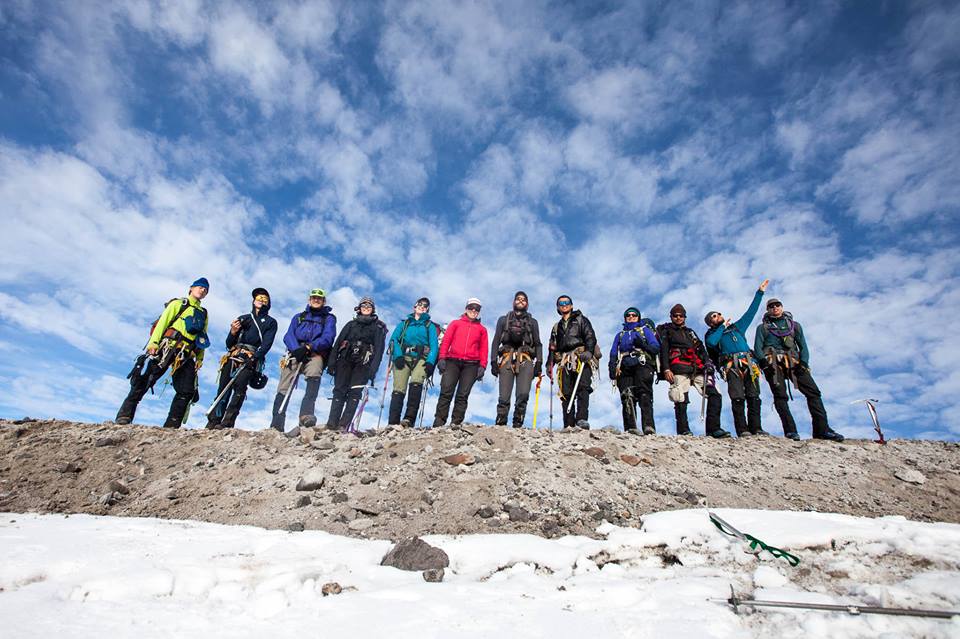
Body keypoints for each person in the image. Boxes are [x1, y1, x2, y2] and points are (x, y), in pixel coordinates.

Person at [116, 277, 211, 428]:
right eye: (200, 287)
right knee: (147, 379)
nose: (203, 290)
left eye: (205, 289)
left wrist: (200, 358)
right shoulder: (178, 304)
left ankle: (172, 425)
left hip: (186, 354)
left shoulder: (203, 313)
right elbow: (163, 323)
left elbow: (202, 337)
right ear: (191, 288)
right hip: (168, 347)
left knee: (187, 390)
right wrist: (153, 342)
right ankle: (124, 415)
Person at [754, 298, 844, 442]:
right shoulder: (762, 328)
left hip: (794, 362)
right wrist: (764, 364)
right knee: (780, 396)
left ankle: (822, 429)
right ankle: (790, 431)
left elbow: (803, 345)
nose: (775, 308)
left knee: (813, 392)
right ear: (767, 310)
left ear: (782, 307)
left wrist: (803, 362)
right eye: (771, 306)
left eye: (777, 305)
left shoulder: (795, 326)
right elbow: (758, 347)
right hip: (772, 363)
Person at [704, 279, 769, 438]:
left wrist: (759, 293)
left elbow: (750, 312)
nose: (717, 316)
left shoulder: (737, 328)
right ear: (710, 322)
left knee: (753, 395)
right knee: (737, 397)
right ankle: (742, 429)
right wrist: (722, 327)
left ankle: (757, 428)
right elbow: (712, 343)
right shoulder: (712, 335)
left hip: (749, 363)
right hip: (731, 366)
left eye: (718, 314)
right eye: (713, 316)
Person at [207, 288, 278, 429]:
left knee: (239, 388)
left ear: (268, 303)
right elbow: (229, 344)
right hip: (234, 355)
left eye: (264, 299)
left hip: (251, 357)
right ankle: (214, 420)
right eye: (258, 298)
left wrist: (255, 358)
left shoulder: (270, 322)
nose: (261, 300)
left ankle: (227, 422)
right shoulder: (243, 318)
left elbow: (266, 344)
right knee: (223, 388)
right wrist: (233, 331)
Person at [269, 288, 336, 432]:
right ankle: (277, 422)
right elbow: (288, 335)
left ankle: (306, 415)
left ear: (324, 301)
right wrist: (296, 349)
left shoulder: (328, 318)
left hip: (314, 353)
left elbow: (328, 337)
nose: (316, 300)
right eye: (313, 297)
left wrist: (310, 347)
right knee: (284, 386)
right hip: (295, 352)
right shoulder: (298, 317)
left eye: (319, 298)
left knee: (314, 375)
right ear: (309, 300)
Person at [657, 304, 728, 438]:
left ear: (684, 317)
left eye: (681, 315)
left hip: (698, 368)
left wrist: (707, 362)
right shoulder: (667, 331)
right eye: (675, 315)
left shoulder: (691, 332)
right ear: (671, 317)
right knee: (680, 398)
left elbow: (701, 348)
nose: (678, 318)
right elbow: (664, 351)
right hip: (678, 367)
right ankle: (684, 430)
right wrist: (666, 369)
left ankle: (713, 429)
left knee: (715, 394)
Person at [325, 296, 387, 431]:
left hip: (363, 363)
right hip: (345, 359)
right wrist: (331, 362)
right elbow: (338, 342)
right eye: (363, 306)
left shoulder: (377, 328)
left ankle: (343, 424)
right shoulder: (350, 324)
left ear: (373, 310)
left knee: (354, 392)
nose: (366, 309)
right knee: (339, 390)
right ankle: (331, 423)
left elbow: (379, 350)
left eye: (369, 307)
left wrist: (373, 369)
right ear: (359, 308)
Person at [432, 298, 489, 427]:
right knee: (446, 390)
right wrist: (441, 358)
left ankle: (456, 422)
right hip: (452, 361)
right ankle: (439, 422)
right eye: (471, 308)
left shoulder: (482, 330)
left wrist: (482, 366)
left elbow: (484, 349)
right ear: (466, 309)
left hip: (471, 364)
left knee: (463, 394)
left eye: (477, 309)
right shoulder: (455, 324)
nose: (474, 311)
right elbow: (446, 341)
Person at [490, 291, 543, 428]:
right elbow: (496, 341)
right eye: (518, 299)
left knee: (523, 394)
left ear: (527, 304)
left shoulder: (533, 322)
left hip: (526, 359)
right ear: (513, 302)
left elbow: (538, 343)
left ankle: (517, 423)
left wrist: (539, 363)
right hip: (507, 358)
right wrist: (493, 361)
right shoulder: (503, 320)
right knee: (504, 396)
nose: (520, 301)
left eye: (523, 300)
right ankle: (500, 424)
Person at [546, 295, 597, 430]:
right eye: (561, 303)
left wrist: (589, 352)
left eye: (567, 302)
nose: (564, 304)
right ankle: (568, 423)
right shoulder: (556, 327)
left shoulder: (581, 320)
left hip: (581, 358)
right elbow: (552, 347)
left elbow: (590, 336)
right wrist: (549, 364)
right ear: (558, 307)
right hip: (564, 361)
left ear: (572, 305)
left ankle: (581, 419)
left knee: (583, 388)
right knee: (565, 392)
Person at [387, 297, 439, 427]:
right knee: (399, 388)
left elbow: (434, 346)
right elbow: (394, 340)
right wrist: (397, 356)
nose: (422, 306)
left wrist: (430, 362)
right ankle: (393, 422)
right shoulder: (404, 324)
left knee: (416, 383)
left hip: (421, 358)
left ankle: (409, 419)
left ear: (427, 309)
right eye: (420, 304)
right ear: (414, 307)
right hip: (403, 357)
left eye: (425, 306)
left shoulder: (429, 326)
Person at [609, 308, 660, 435]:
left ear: (638, 317)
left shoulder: (645, 331)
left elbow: (655, 347)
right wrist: (612, 366)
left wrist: (643, 345)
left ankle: (648, 426)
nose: (631, 317)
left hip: (642, 363)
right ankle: (630, 427)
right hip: (624, 365)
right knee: (627, 395)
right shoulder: (620, 335)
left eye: (634, 315)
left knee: (644, 394)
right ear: (625, 317)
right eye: (628, 315)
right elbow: (614, 351)